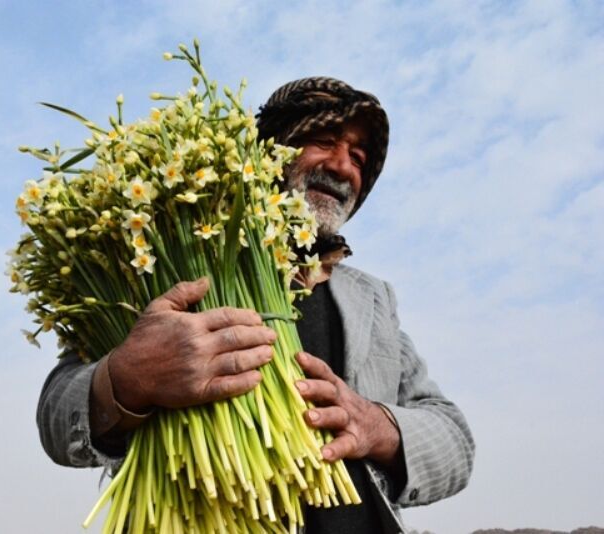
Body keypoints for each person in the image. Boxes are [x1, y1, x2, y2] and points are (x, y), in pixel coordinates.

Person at [37, 77, 475, 533]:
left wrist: (376, 425)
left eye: (359, 159)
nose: (343, 167)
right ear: (271, 149)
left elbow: (455, 439)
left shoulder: (373, 300)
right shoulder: (173, 256)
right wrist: (127, 378)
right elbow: (55, 415)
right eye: (323, 140)